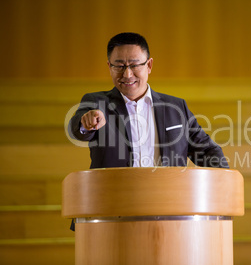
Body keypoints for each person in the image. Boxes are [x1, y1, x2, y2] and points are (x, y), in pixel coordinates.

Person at [69, 32, 228, 170]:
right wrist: (86, 124)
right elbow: (77, 130)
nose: (127, 74)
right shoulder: (97, 102)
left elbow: (206, 150)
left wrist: (226, 178)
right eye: (119, 66)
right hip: (113, 198)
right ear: (109, 67)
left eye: (134, 65)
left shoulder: (176, 107)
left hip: (168, 200)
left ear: (149, 65)